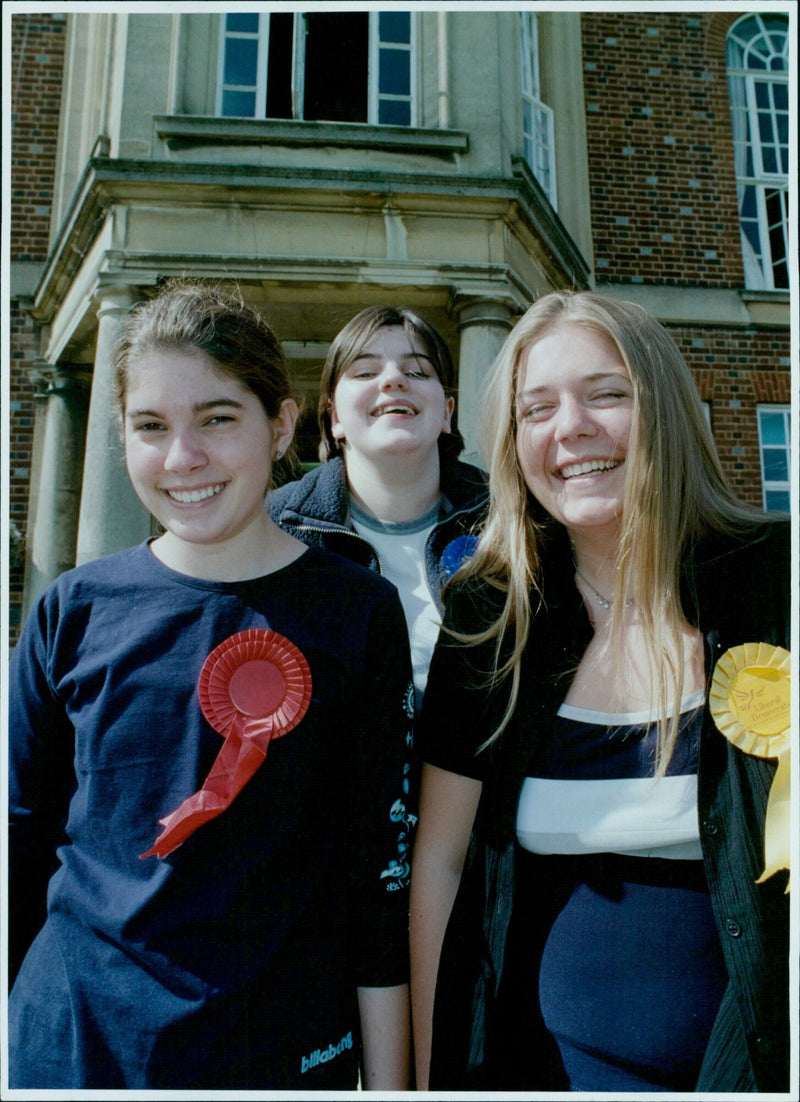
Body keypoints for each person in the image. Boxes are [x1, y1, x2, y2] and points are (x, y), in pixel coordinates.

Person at [9, 282, 415, 1090]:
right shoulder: (70, 611)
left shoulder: (358, 613)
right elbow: (16, 842)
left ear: (282, 426)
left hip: (278, 1047)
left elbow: (378, 879)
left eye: (218, 418)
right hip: (75, 1047)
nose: (181, 457)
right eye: (151, 427)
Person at [410, 290, 790, 1093]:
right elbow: (441, 867)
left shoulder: (777, 581)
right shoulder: (490, 619)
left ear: (666, 407)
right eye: (535, 408)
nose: (571, 427)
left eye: (606, 393)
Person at [268, 305, 487, 710]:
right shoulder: (275, 525)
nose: (393, 380)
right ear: (334, 417)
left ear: (447, 414)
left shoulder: (511, 521)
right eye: (365, 372)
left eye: (418, 372)